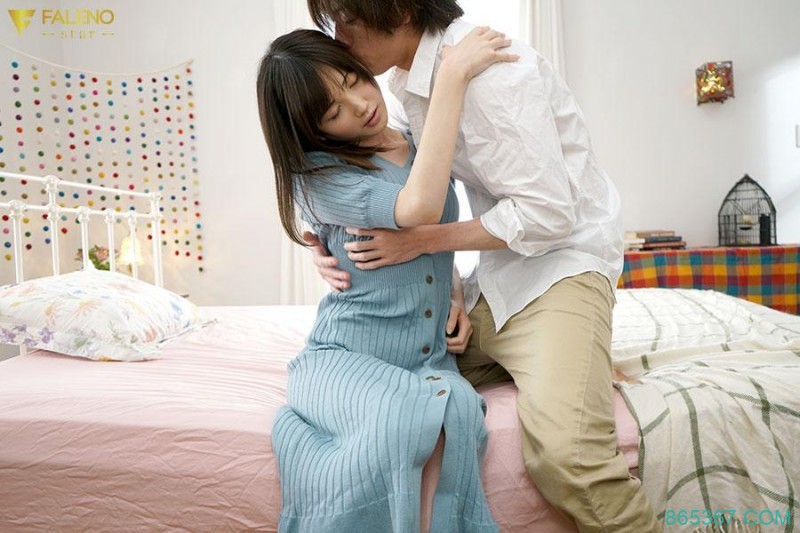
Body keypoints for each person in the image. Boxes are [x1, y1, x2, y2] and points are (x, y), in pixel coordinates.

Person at [303, 1, 662, 531]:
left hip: (560, 268)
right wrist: (322, 238)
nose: (341, 38)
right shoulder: (410, 81)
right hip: (496, 281)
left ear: (397, 9)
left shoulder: (490, 75)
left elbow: (547, 215)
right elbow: (395, 182)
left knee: (569, 459)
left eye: (347, 19)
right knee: (402, 392)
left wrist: (421, 242)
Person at [257, 28, 517, 532]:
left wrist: (454, 294)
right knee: (400, 423)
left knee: (461, 415)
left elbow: (432, 241)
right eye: (333, 111)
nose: (360, 105)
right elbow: (418, 209)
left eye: (353, 80)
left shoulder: (419, 143)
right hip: (347, 356)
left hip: (429, 359)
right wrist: (452, 76)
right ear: (311, 130)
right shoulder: (318, 178)